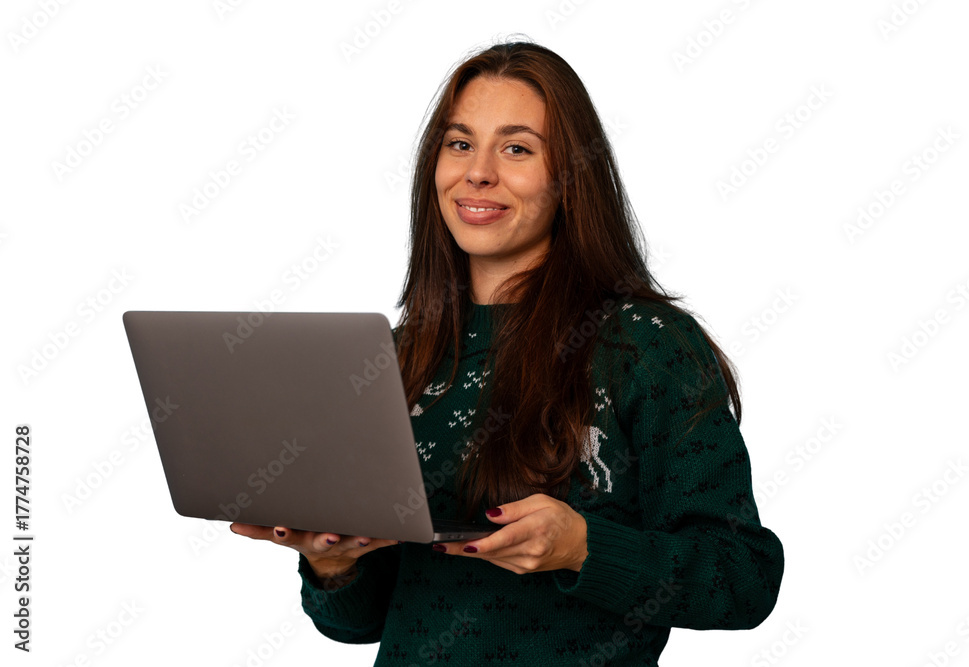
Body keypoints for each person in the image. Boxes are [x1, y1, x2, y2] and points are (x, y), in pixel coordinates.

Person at [232, 39, 784, 664]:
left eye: (516, 148)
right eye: (460, 143)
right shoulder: (395, 357)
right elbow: (359, 625)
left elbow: (743, 579)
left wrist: (582, 547)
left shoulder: (645, 345)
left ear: (570, 179)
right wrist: (331, 564)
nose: (478, 172)